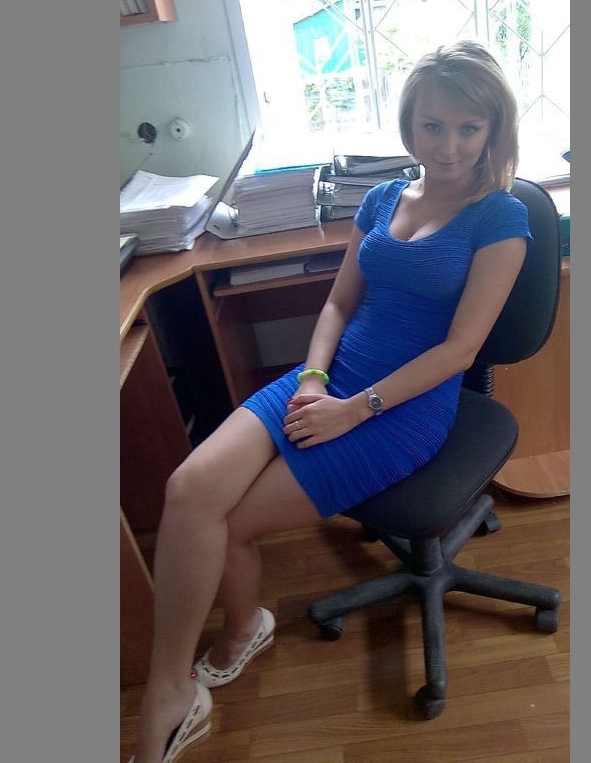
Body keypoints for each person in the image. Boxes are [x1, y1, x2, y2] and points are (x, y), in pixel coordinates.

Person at [131, 39, 531, 763]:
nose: (447, 145)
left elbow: (459, 350)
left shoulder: (499, 217)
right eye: (432, 125)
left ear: (492, 130)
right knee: (189, 491)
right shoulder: (381, 199)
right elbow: (340, 304)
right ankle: (172, 686)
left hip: (402, 409)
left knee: (229, 524)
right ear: (409, 125)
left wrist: (354, 409)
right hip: (328, 377)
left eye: (468, 128)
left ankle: (236, 635)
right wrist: (314, 380)